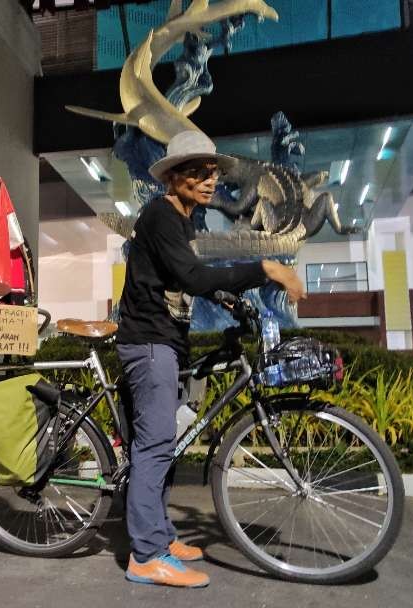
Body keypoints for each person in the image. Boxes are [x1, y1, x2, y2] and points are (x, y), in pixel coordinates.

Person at [115, 130, 306, 588]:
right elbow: (192, 275)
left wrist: (226, 297)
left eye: (213, 173)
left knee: (162, 445)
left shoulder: (183, 219)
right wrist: (265, 268)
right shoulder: (161, 214)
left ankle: (159, 533)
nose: (208, 181)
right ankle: (144, 556)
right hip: (149, 341)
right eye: (198, 173)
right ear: (174, 176)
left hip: (167, 338)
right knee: (155, 444)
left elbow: (184, 277)